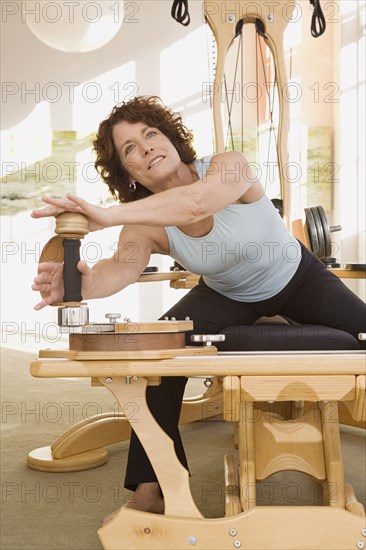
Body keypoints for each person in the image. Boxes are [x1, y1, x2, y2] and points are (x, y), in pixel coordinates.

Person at [31, 95, 366, 518]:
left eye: (150, 133)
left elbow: (197, 203)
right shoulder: (143, 221)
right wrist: (77, 284)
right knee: (155, 355)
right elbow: (119, 267)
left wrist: (108, 214)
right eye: (130, 147)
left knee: (365, 335)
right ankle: (152, 486)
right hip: (226, 294)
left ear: (170, 138)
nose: (146, 146)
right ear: (127, 171)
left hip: (298, 276)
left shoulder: (228, 166)